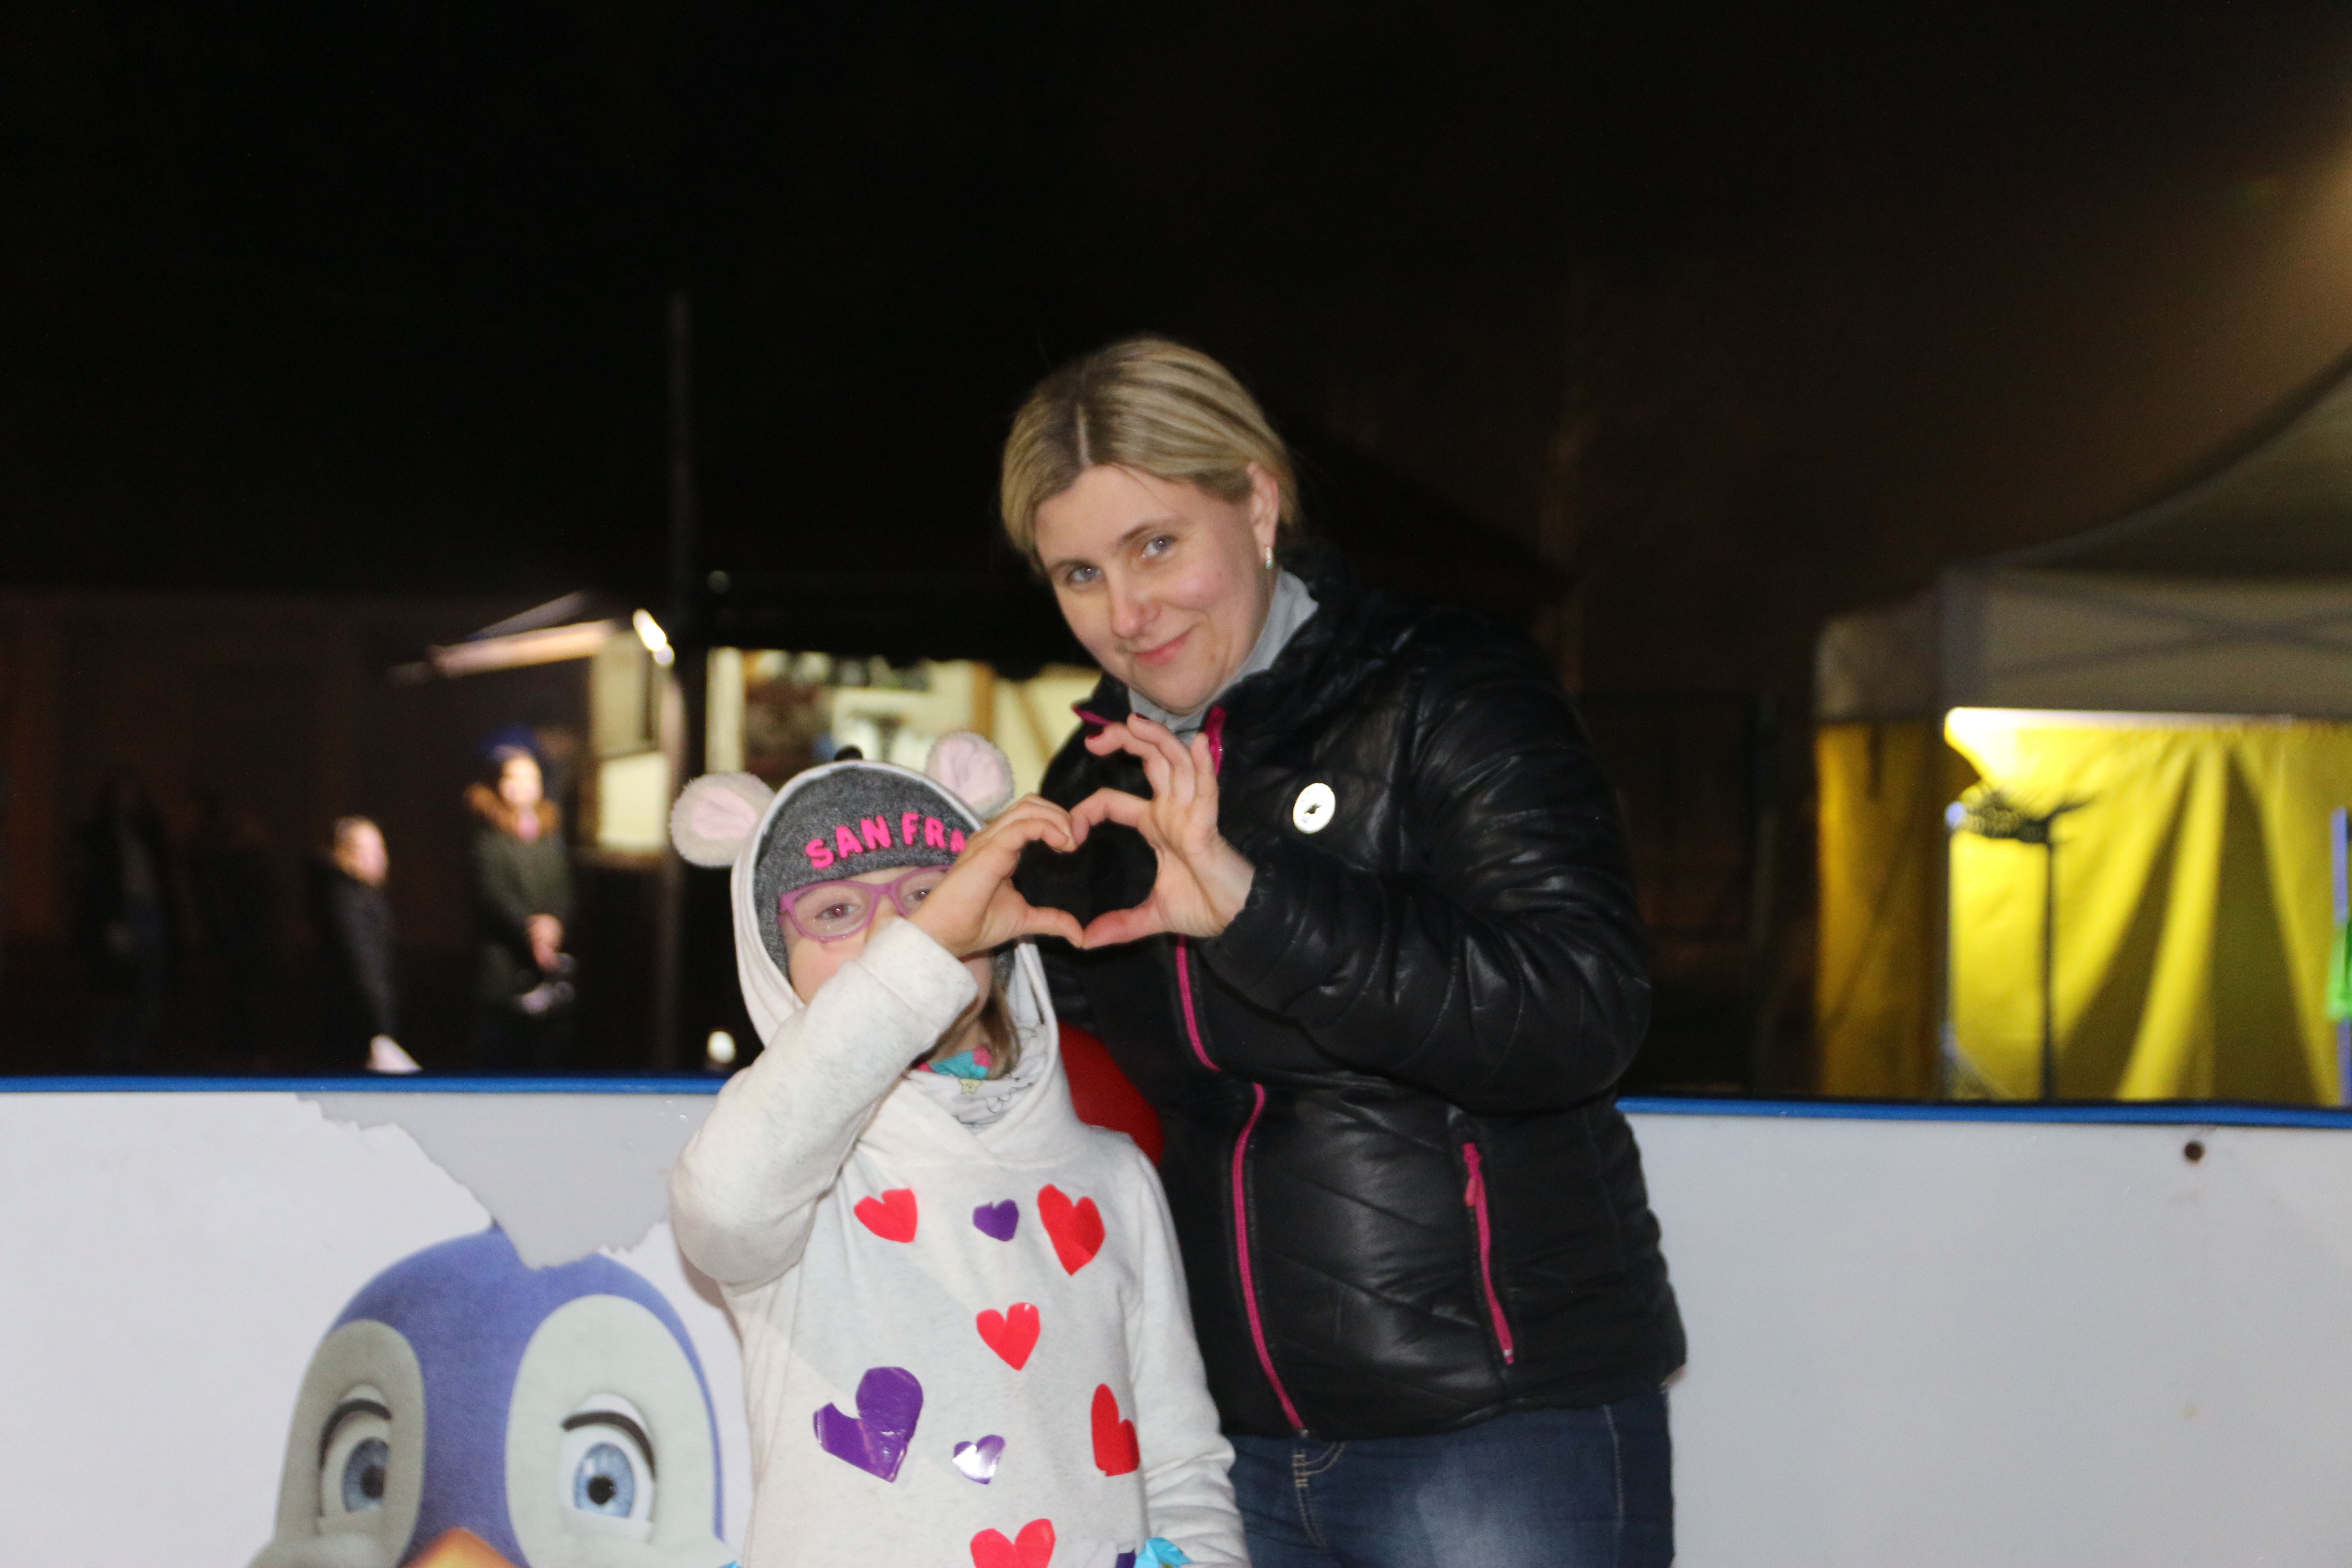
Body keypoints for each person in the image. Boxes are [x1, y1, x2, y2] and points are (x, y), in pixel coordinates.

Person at [1006, 338, 1685, 1567]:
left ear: (1258, 504)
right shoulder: (1087, 788)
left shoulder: (1443, 684)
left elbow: (1580, 1008)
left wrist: (1255, 907)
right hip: (1218, 1450)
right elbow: (1071, 1098)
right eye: (1080, 572)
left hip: (1493, 1427)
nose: (1126, 612)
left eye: (1156, 545)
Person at [665, 735, 1246, 1568]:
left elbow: (1181, 1464)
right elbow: (721, 1204)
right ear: (771, 964)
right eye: (834, 912)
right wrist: (926, 947)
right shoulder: (791, 1177)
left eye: (932, 895)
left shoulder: (1114, 1177)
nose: (896, 932)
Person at [466, 745, 575, 1071]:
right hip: (504, 968)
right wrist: (531, 930)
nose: (523, 785)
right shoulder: (488, 834)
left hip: (546, 968)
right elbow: (492, 893)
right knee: (500, 1056)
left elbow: (563, 888)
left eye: (531, 778)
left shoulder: (549, 832)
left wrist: (554, 924)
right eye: (514, 777)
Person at [75, 767, 177, 1070]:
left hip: (149, 912)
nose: (126, 799)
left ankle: (133, 1054)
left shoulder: (148, 831)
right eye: (121, 792)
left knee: (152, 989)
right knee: (118, 991)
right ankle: (108, 1055)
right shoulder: (100, 834)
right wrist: (109, 923)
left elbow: (163, 877)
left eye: (132, 792)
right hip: (121, 915)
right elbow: (95, 884)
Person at [313, 816, 418, 1073]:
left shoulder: (364, 895)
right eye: (365, 850)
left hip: (365, 1024)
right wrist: (380, 1029)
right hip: (359, 1027)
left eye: (379, 849)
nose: (378, 857)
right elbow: (364, 967)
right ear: (345, 855)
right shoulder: (347, 900)